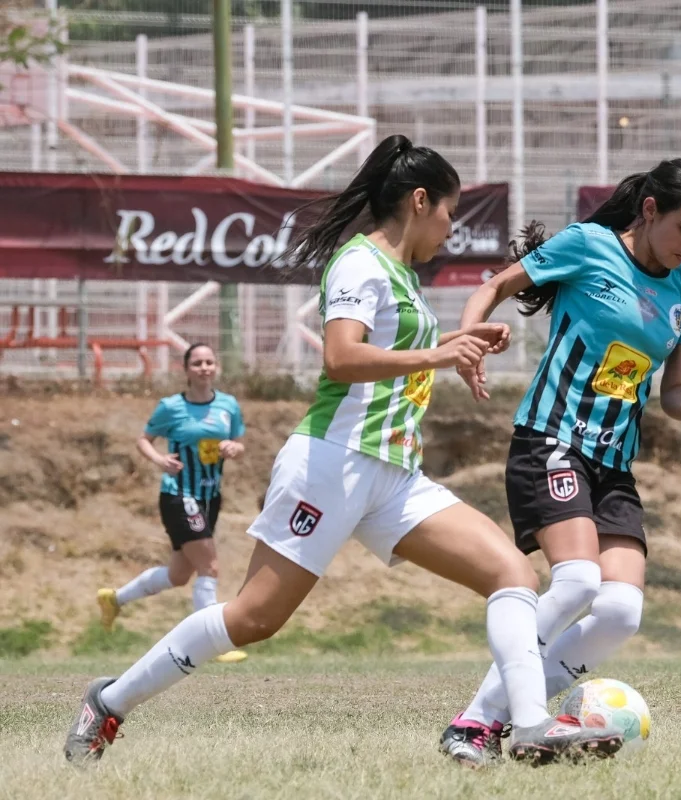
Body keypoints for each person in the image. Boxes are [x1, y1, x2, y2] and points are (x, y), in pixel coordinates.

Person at [64, 134, 623, 765]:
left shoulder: (404, 276)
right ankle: (108, 702)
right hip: (332, 463)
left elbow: (397, 358)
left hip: (395, 476)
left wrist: (462, 345)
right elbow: (341, 357)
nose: (450, 226)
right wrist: (438, 353)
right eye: (448, 211)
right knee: (252, 618)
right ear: (419, 201)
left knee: (513, 575)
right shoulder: (360, 263)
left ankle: (525, 725)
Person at [439, 158, 681, 767]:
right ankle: (477, 723)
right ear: (650, 211)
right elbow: (494, 286)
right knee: (578, 582)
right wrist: (467, 338)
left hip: (613, 463)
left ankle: (513, 717)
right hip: (550, 440)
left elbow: (673, 391)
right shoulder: (589, 247)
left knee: (620, 611)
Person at [96, 343, 249, 665]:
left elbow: (238, 441)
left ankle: (115, 599)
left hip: (210, 496)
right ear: (186, 369)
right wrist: (159, 459)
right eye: (197, 363)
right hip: (179, 494)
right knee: (209, 566)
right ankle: (211, 642)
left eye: (209, 362)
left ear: (216, 366)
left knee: (180, 575)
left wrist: (234, 448)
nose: (204, 367)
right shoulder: (171, 406)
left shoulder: (228, 405)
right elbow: (143, 440)